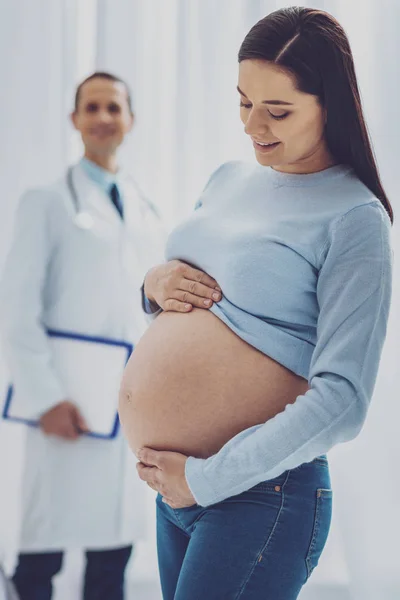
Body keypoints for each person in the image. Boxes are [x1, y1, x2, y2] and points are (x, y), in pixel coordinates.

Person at [117, 7, 394, 600]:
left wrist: (208, 478)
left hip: (258, 497)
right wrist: (152, 285)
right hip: (180, 492)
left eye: (278, 110)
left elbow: (343, 400)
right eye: (243, 101)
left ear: (331, 105)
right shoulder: (226, 179)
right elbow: (192, 295)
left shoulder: (355, 219)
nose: (252, 124)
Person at [0, 72, 165, 600]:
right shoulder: (45, 202)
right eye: (91, 107)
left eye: (113, 108)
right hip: (63, 401)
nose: (102, 117)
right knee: (41, 551)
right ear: (74, 120)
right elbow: (17, 309)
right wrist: (45, 397)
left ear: (130, 121)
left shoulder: (146, 210)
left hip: (128, 403)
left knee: (113, 548)